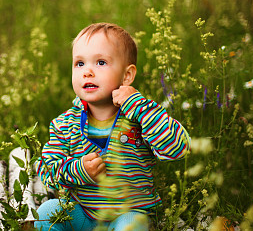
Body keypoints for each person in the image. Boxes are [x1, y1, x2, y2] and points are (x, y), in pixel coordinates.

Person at [34, 22, 191, 231]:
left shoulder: (140, 116)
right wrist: (79, 170)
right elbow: (48, 172)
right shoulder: (65, 124)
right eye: (79, 64)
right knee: (47, 212)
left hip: (128, 215)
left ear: (126, 76)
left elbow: (179, 148)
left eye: (100, 62)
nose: (87, 71)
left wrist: (139, 106)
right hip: (85, 216)